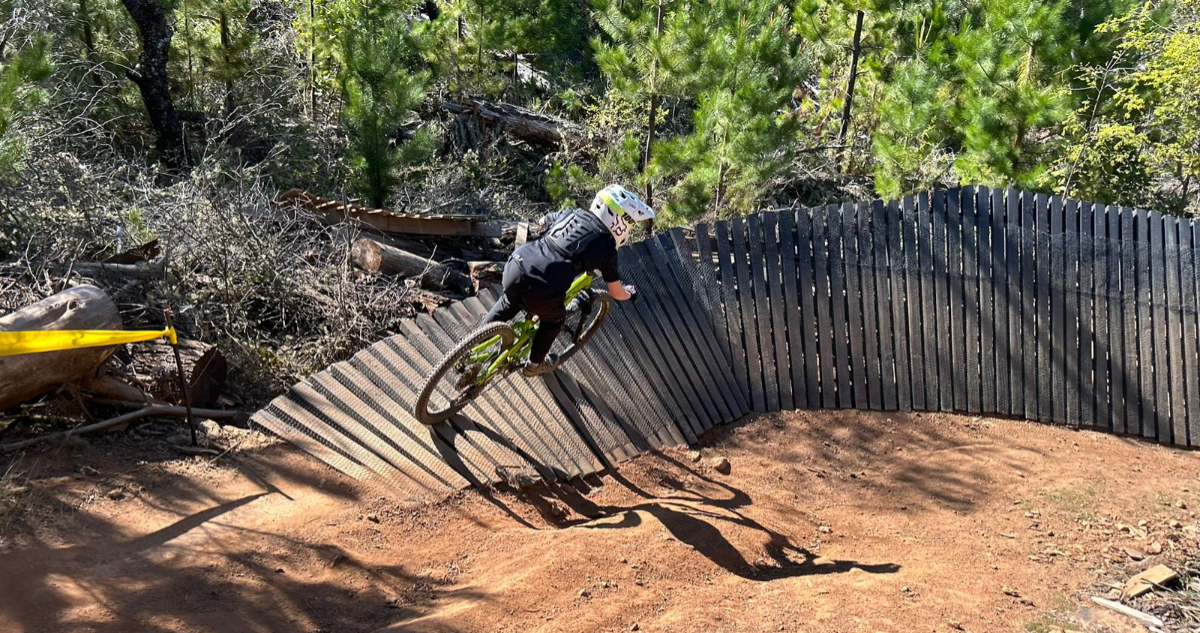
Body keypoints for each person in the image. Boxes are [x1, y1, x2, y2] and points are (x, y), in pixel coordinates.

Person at [481, 184, 656, 376]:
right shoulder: (607, 246)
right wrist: (629, 292)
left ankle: (471, 348)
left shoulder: (573, 212)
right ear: (620, 222)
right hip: (543, 287)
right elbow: (615, 292)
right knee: (555, 319)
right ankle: (533, 366)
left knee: (508, 301)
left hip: (517, 263)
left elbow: (543, 220)